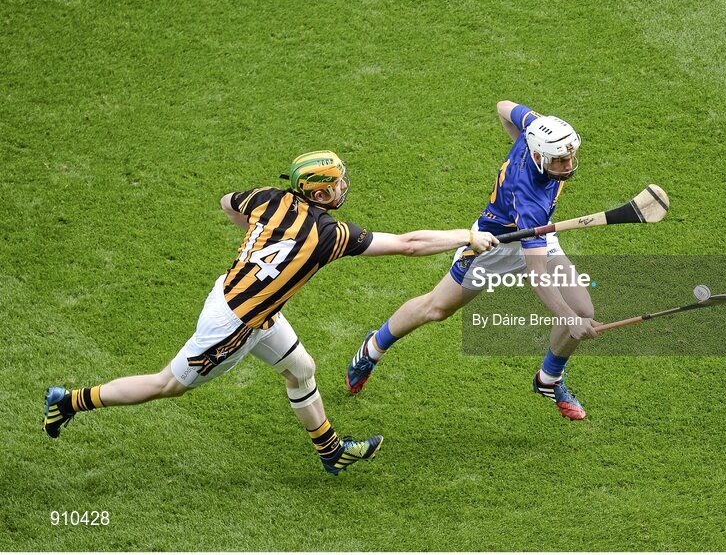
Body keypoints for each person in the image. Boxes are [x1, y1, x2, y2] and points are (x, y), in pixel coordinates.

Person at [43, 151, 498, 474]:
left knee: (302, 369)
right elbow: (409, 244)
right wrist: (467, 236)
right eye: (337, 183)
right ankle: (70, 401)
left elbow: (227, 201)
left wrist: (255, 237)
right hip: (236, 324)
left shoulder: (265, 198)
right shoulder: (329, 235)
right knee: (168, 385)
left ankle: (331, 452)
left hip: (238, 298)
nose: (343, 187)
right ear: (320, 192)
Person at [347, 101, 598, 420]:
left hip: (537, 235)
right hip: (495, 246)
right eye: (561, 160)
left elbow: (504, 107)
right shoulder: (530, 195)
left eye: (570, 155)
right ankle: (373, 348)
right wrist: (568, 320)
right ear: (538, 155)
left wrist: (573, 317)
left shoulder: (534, 129)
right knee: (436, 308)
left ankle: (548, 380)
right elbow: (537, 276)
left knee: (583, 309)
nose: (569, 164)